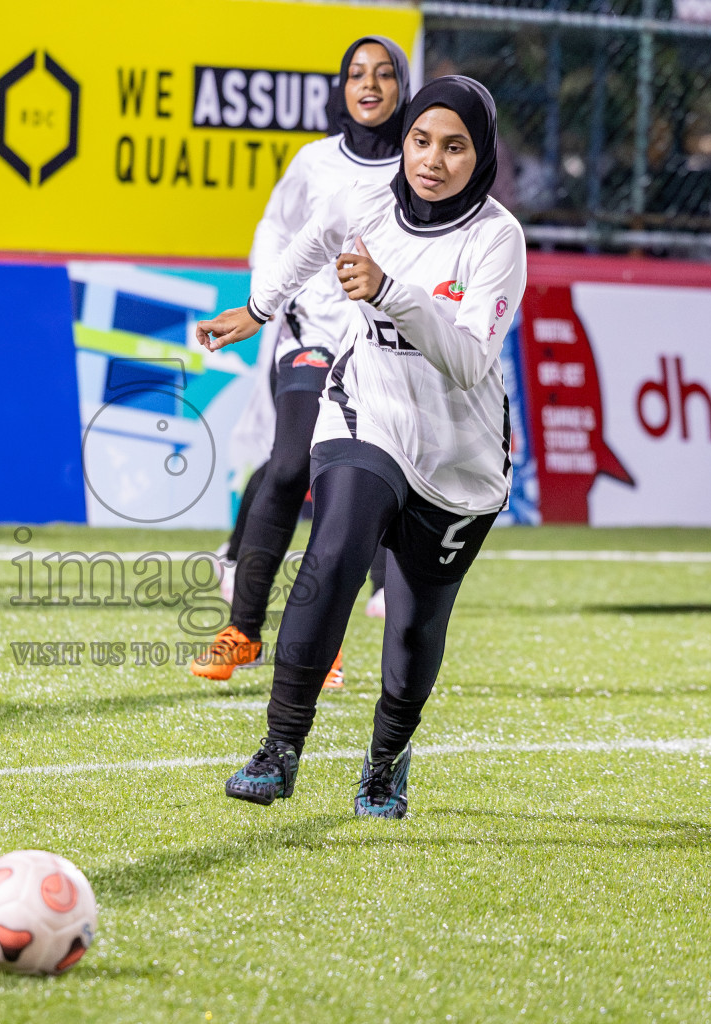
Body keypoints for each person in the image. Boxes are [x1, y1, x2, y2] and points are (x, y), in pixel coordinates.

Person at [195, 76, 526, 818]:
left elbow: (472, 360)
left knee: (412, 627)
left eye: (454, 146)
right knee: (334, 550)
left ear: (482, 155)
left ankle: (385, 762)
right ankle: (279, 749)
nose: (432, 160)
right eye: (420, 140)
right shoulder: (366, 202)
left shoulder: (497, 237)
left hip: (456, 460)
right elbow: (310, 241)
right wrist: (256, 310)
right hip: (364, 413)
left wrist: (389, 292)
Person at [191, 36, 411, 689]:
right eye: (355, 75)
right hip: (308, 331)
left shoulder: (415, 166)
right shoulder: (315, 162)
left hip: (374, 349)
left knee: (345, 487)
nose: (367, 85)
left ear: (403, 86)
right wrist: (267, 301)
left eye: (382, 75)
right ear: (341, 89)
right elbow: (277, 231)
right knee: (289, 468)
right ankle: (243, 631)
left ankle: (320, 643)